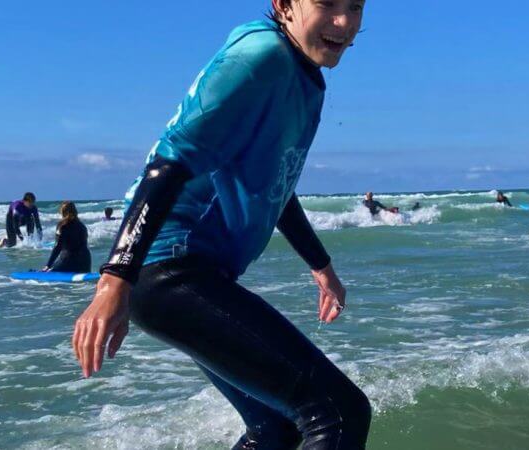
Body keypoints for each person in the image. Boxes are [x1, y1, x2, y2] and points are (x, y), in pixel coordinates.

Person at [71, 2, 372, 449]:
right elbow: (168, 162)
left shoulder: (304, 77)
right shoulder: (260, 57)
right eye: (326, 3)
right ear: (284, 5)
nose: (344, 22)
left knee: (275, 428)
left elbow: (275, 183)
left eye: (355, 6)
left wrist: (321, 266)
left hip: (188, 274)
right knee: (336, 413)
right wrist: (115, 280)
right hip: (169, 270)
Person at [43, 202, 92, 273]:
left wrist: (48, 265)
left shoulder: (62, 226)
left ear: (63, 212)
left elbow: (58, 247)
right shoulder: (82, 226)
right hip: (85, 262)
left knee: (49, 272)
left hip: (70, 261)